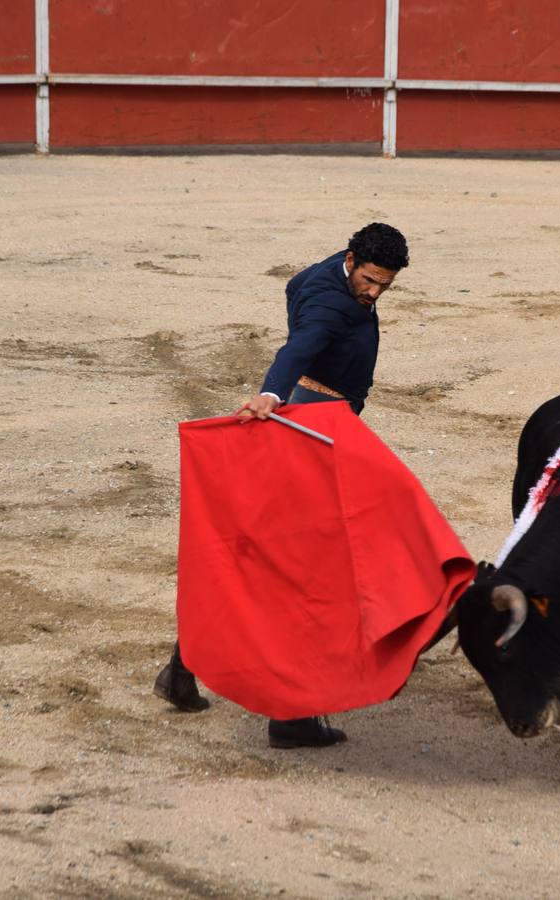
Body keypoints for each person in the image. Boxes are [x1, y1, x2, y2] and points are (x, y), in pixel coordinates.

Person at [153, 222, 410, 748]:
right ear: (352, 258)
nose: (375, 292)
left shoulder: (325, 275)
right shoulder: (331, 302)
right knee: (304, 567)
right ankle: (290, 717)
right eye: (369, 280)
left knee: (261, 555)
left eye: (385, 284)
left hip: (314, 419)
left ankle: (182, 668)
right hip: (312, 429)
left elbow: (296, 288)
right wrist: (271, 392)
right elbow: (302, 343)